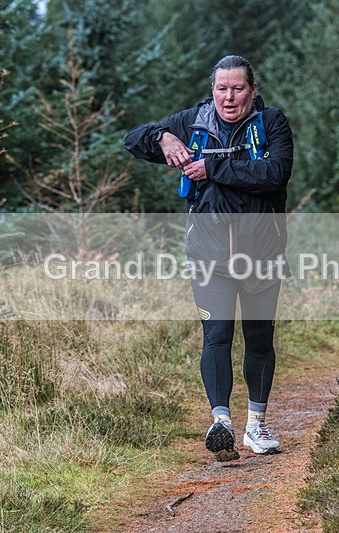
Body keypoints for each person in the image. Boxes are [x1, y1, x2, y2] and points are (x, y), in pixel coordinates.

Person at [125, 55, 293, 461]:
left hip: (261, 255)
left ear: (252, 90)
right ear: (212, 89)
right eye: (222, 89)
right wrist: (163, 137)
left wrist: (213, 167)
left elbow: (275, 173)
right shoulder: (194, 122)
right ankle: (222, 423)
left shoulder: (272, 123)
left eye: (237, 88)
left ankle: (256, 424)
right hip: (207, 255)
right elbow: (133, 138)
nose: (229, 97)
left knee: (258, 339)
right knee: (215, 336)